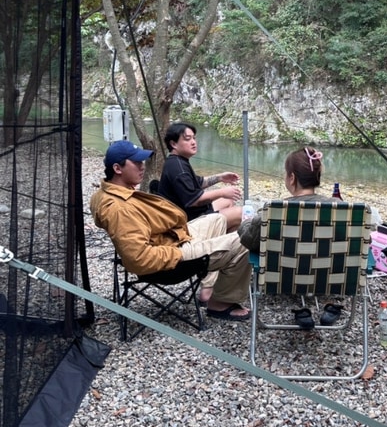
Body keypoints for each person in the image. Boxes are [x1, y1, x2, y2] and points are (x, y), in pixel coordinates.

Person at [90, 140, 251, 321]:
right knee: (245, 240)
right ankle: (220, 303)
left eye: (142, 162)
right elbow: (139, 259)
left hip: (172, 239)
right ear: (118, 169)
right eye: (136, 163)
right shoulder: (119, 209)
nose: (142, 167)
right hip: (173, 260)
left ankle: (214, 283)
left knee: (226, 217)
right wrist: (179, 252)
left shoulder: (112, 192)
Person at [238, 146, 342, 329]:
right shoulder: (341, 209)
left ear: (292, 177)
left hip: (282, 278)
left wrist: (248, 222)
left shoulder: (274, 210)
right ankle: (331, 302)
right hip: (328, 278)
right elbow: (363, 243)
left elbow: (248, 240)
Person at [158, 121, 242, 231]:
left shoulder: (178, 161)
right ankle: (212, 242)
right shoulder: (177, 168)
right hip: (187, 223)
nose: (193, 142)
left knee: (228, 202)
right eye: (188, 139)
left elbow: (198, 182)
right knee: (240, 213)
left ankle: (217, 238)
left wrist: (220, 177)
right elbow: (194, 201)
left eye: (194, 138)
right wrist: (222, 192)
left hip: (193, 214)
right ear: (173, 144)